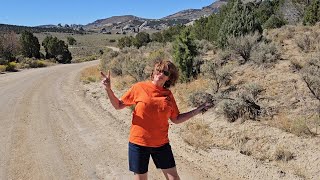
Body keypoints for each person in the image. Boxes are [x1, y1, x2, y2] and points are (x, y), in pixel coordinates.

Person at [101, 60, 213, 180]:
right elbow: (118, 105)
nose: (161, 74)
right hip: (139, 143)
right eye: (158, 70)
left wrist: (198, 109)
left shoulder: (168, 95)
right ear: (153, 72)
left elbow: (176, 118)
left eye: (165, 72)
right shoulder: (139, 87)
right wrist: (108, 89)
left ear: (169, 78)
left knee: (174, 178)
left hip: (161, 144)